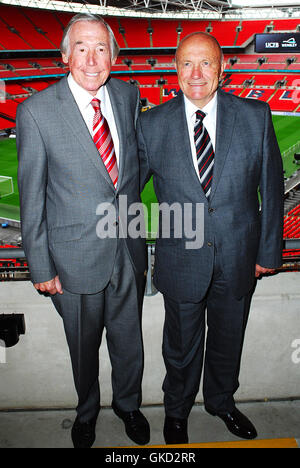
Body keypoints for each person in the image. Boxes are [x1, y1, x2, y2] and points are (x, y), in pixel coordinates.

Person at [137, 32, 284, 444]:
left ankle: (221, 403)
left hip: (240, 256)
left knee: (227, 340)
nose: (196, 73)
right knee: (180, 348)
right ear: (175, 70)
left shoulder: (256, 115)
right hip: (180, 260)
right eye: (186, 63)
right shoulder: (151, 123)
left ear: (222, 69)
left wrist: (268, 251)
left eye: (206, 63)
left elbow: (271, 189)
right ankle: (177, 412)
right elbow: (125, 191)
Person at [17, 13, 150, 449]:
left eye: (102, 49)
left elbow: (131, 172)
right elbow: (32, 196)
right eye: (82, 48)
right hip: (72, 260)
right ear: (64, 55)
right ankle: (87, 412)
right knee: (83, 347)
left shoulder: (129, 97)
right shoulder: (35, 111)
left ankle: (128, 406)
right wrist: (40, 266)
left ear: (114, 55)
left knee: (129, 341)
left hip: (127, 251)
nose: (92, 59)